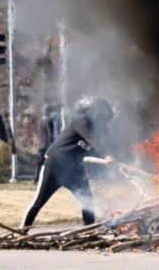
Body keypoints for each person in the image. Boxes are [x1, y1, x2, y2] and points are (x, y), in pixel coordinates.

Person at [20, 98, 116, 229]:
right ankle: (23, 228)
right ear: (96, 114)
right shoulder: (81, 121)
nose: (103, 123)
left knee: (87, 199)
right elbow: (93, 141)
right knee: (39, 201)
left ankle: (89, 231)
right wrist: (107, 155)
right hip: (55, 165)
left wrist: (115, 162)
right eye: (102, 118)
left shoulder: (99, 132)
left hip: (74, 170)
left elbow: (101, 148)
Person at [34, 104, 63, 184]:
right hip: (47, 145)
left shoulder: (40, 121)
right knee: (50, 162)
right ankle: (50, 179)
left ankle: (36, 178)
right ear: (48, 112)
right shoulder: (48, 121)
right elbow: (50, 134)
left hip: (41, 144)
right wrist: (52, 145)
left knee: (39, 162)